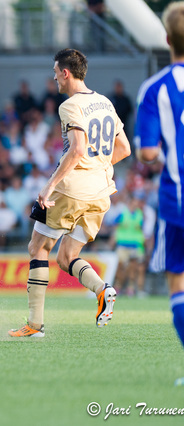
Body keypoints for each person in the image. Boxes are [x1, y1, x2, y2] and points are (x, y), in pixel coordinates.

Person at [9, 48, 131, 338]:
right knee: (66, 257)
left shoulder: (69, 106)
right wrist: (96, 167)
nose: (55, 81)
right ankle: (103, 289)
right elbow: (124, 149)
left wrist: (49, 185)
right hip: (101, 193)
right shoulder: (105, 102)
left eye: (55, 74)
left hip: (71, 189)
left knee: (38, 248)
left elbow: (77, 150)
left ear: (65, 73)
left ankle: (34, 325)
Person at [135, 2, 184, 385]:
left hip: (176, 201)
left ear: (166, 39)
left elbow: (147, 152)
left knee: (177, 281)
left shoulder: (155, 88)